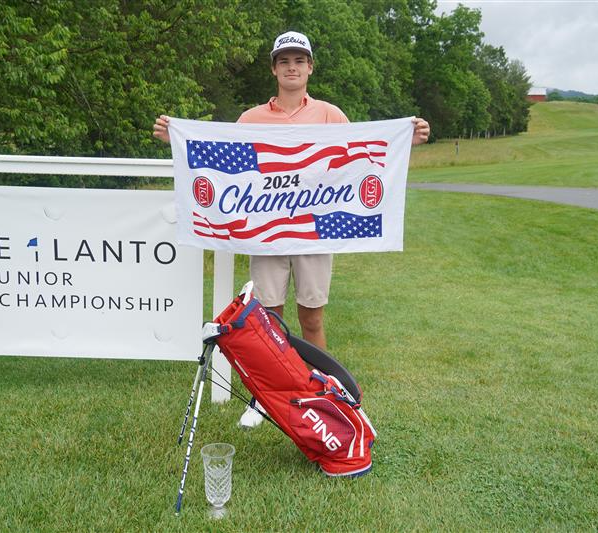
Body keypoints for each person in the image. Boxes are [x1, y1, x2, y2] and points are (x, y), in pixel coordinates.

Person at [154, 31, 430, 427]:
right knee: (268, 319)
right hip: (265, 231)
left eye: (299, 61)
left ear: (310, 68)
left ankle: (321, 390)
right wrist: (176, 138)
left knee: (312, 316)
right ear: (274, 69)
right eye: (284, 61)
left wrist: (408, 140)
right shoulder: (251, 119)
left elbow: (363, 157)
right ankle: (267, 397)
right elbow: (222, 157)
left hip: (314, 232)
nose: (292, 67)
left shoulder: (330, 115)